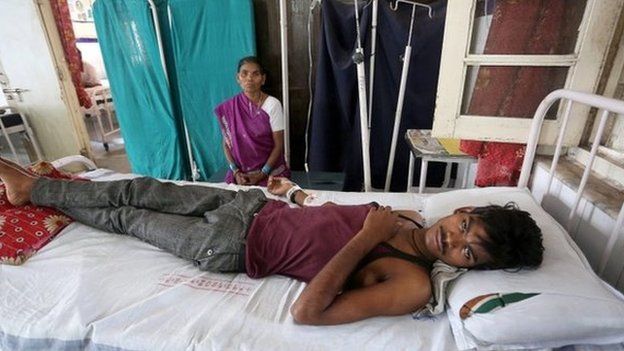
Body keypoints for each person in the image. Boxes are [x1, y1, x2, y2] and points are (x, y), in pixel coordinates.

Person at [0, 157, 544, 325]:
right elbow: (331, 215)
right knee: (141, 187)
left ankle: (33, 193)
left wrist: (368, 237)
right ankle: (36, 187)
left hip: (230, 248)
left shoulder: (410, 283)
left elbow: (308, 313)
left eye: (465, 252)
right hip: (250, 206)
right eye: (465, 226)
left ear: (467, 267)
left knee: (127, 218)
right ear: (465, 210)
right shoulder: (409, 215)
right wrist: (297, 195)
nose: (452, 238)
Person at [215, 56, 290, 186]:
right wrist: (236, 171)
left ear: (263, 79)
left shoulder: (272, 104)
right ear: (238, 78)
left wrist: (262, 174)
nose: (249, 78)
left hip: (271, 174)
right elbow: (227, 144)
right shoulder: (230, 108)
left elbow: (279, 145)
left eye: (255, 74)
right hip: (240, 175)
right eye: (244, 74)